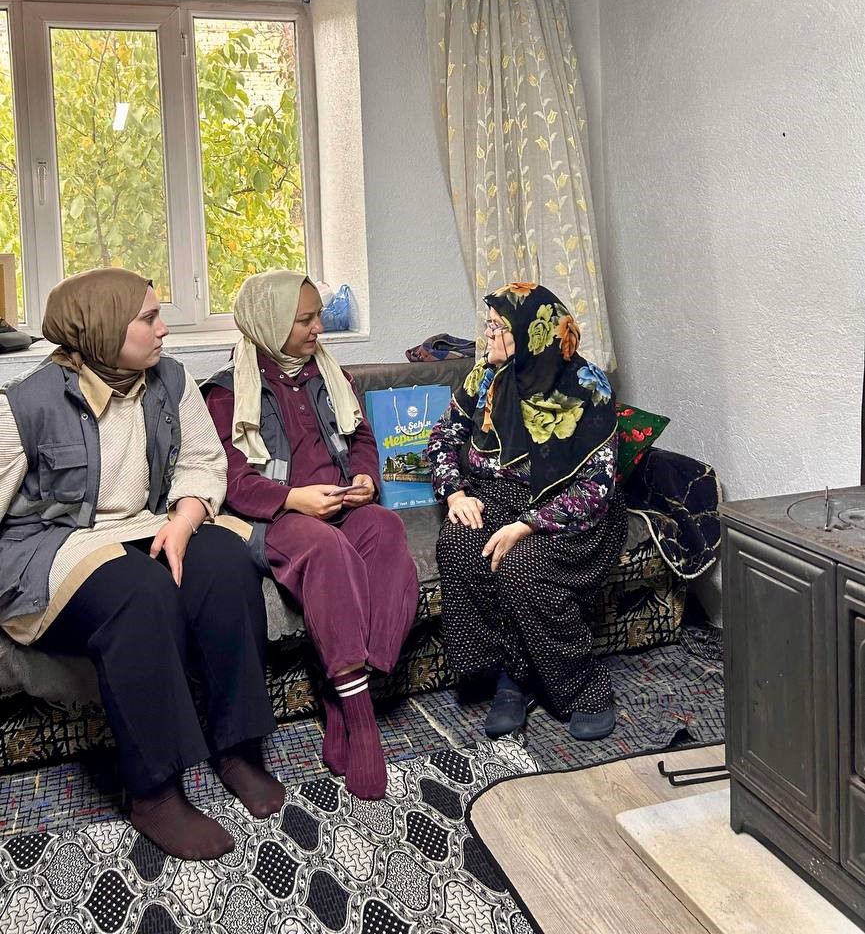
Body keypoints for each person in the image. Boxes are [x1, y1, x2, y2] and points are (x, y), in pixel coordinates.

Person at [0, 269, 284, 861]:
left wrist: (184, 519)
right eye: (149, 318)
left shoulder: (170, 380)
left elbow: (203, 462)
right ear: (104, 328)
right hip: (57, 548)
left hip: (149, 524)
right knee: (140, 591)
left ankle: (238, 747)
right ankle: (154, 792)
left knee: (226, 562)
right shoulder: (26, 403)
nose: (163, 329)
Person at [203, 270, 419, 800]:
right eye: (305, 320)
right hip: (277, 519)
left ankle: (339, 698)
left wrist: (365, 479)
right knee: (327, 549)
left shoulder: (331, 374)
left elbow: (362, 438)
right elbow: (231, 480)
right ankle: (361, 721)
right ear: (270, 322)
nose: (318, 328)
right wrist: (294, 499)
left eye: (318, 315)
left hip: (342, 505)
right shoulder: (227, 392)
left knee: (387, 529)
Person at [427, 281, 626, 741]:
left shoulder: (587, 386)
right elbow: (442, 438)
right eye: (488, 325)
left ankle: (584, 688)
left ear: (531, 334)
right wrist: (455, 493)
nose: (487, 335)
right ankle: (510, 675)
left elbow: (596, 486)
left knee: (521, 566)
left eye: (498, 327)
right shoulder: (484, 376)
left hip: (567, 511)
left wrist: (527, 524)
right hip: (498, 497)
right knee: (459, 543)